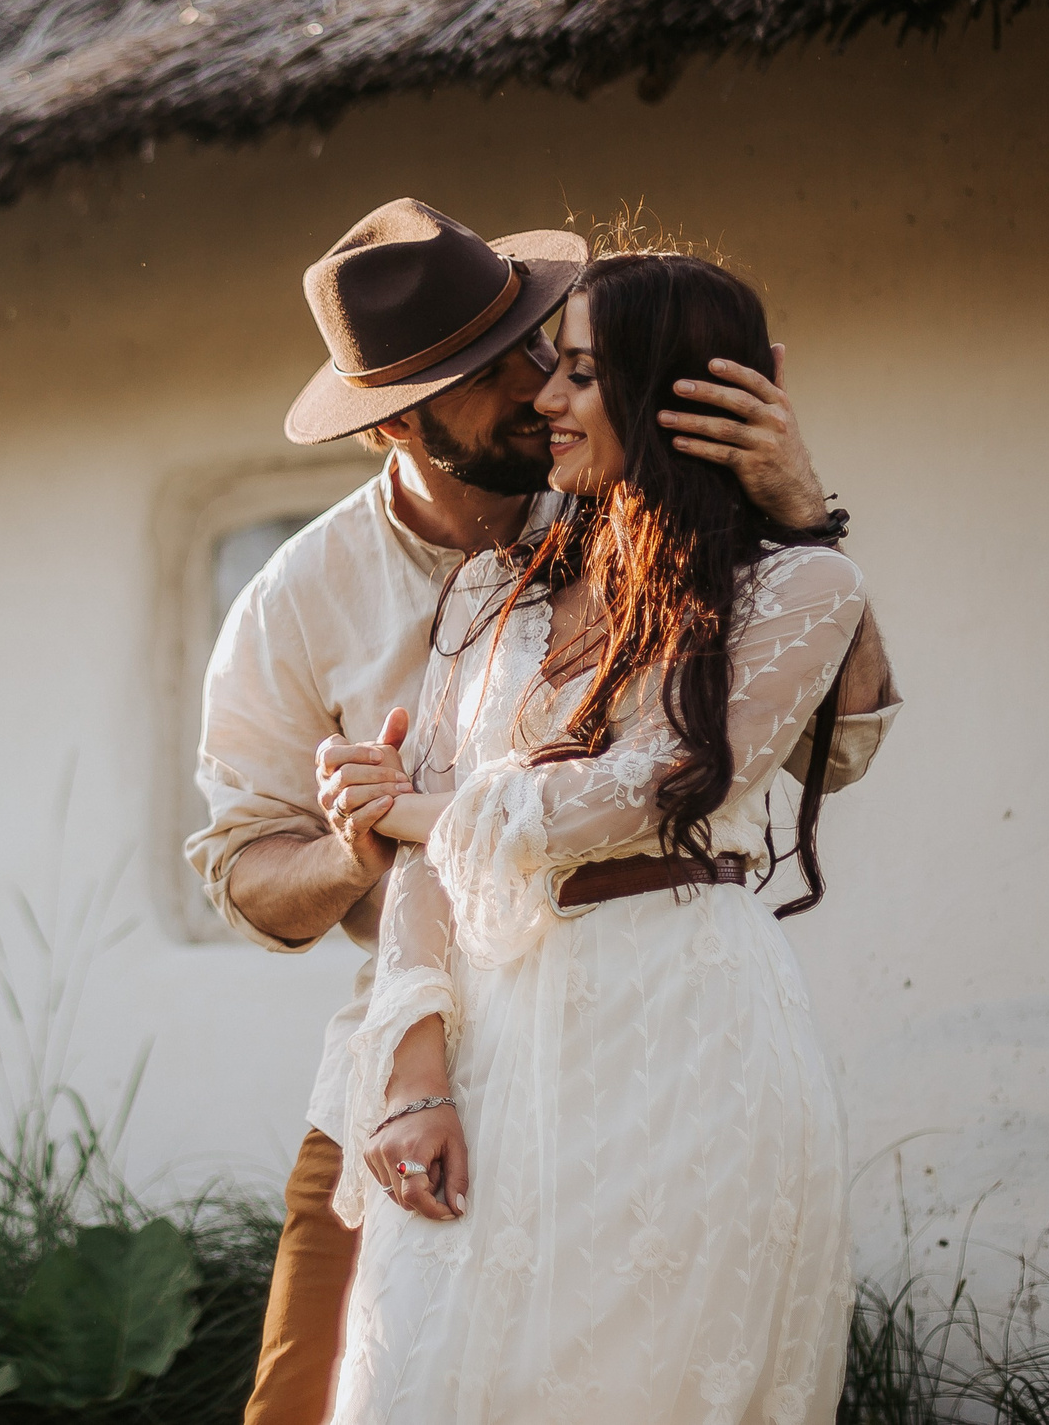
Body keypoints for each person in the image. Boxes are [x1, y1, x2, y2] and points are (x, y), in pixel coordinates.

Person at [187, 200, 897, 1425]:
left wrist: (799, 505)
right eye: (502, 371)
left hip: (663, 1036)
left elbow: (826, 756)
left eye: (548, 353)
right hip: (430, 1033)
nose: (539, 388)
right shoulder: (299, 600)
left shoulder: (632, 507)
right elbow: (244, 867)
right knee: (323, 1397)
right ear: (399, 423)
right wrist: (371, 845)